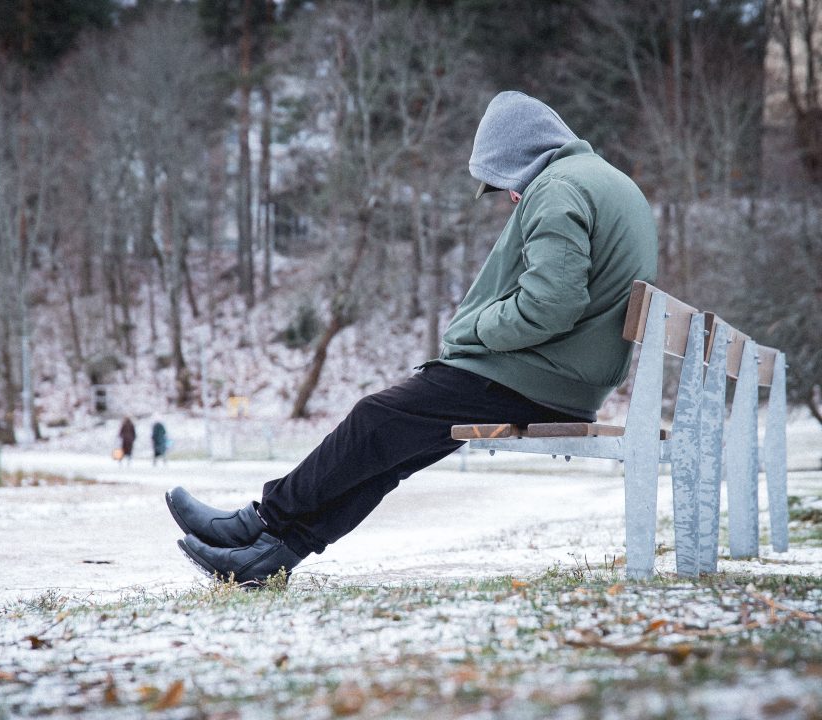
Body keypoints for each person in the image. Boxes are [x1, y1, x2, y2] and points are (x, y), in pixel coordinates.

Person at [166, 91, 658, 585]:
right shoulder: (610, 182)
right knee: (389, 448)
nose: (511, 197)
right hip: (565, 379)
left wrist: (481, 328)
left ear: (523, 157)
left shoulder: (558, 188)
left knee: (375, 419)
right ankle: (271, 554)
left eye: (507, 184)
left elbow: (551, 304)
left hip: (537, 379)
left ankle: (260, 523)